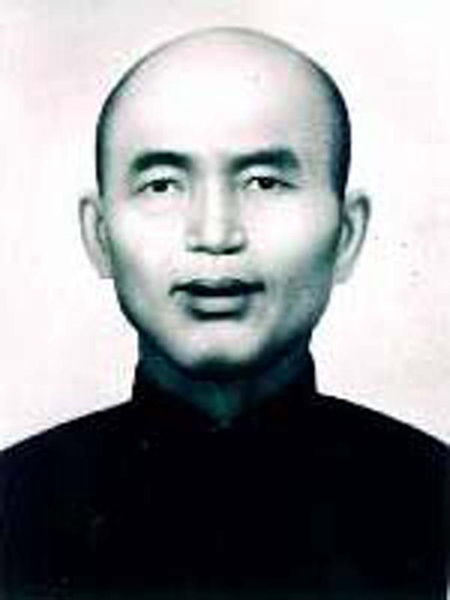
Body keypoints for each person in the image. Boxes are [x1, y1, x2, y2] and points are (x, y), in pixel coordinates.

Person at [0, 27, 446, 599]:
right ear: (100, 234)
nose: (215, 233)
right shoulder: (14, 506)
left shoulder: (434, 499)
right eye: (162, 185)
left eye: (264, 181)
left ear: (347, 233)